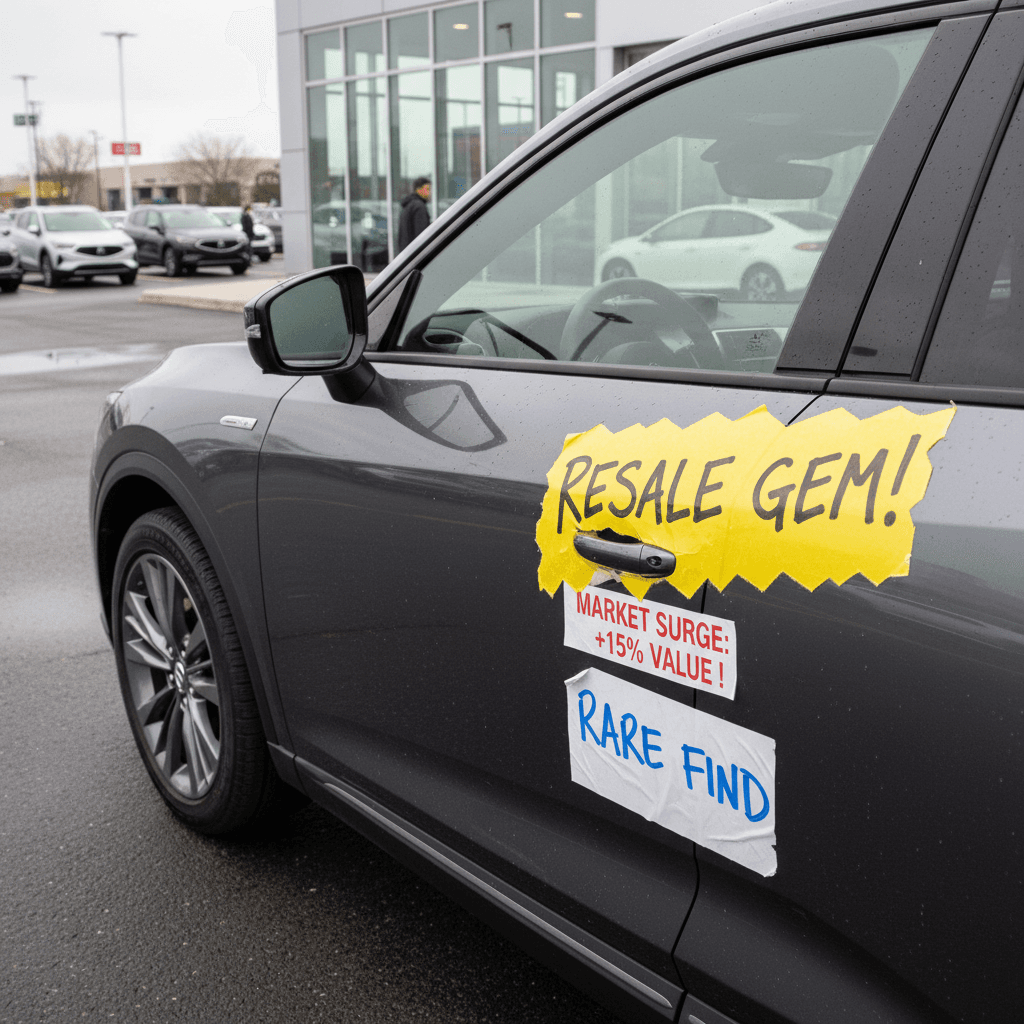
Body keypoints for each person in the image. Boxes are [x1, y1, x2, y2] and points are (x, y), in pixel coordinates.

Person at [398, 177, 431, 251]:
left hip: (406, 253)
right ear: (418, 190)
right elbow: (422, 235)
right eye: (427, 189)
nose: (429, 193)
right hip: (416, 254)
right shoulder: (419, 207)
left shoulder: (407, 206)